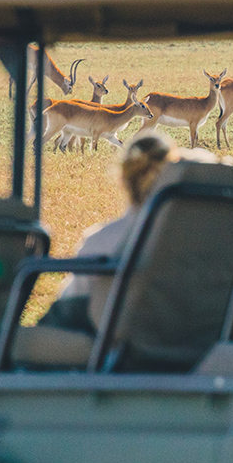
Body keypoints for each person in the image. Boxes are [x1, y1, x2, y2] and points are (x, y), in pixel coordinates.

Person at [38, 133, 178, 335]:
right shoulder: (204, 238)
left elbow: (71, 302)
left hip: (112, 340)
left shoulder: (101, 241)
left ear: (123, 178)